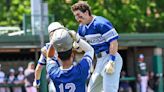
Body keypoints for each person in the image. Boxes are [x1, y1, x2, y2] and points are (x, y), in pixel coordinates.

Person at [71, 1, 123, 92]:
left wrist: (112, 61)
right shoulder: (82, 27)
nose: (77, 18)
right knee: (92, 90)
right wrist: (77, 44)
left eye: (78, 15)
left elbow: (114, 42)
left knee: (109, 90)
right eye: (75, 15)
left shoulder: (101, 23)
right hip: (99, 60)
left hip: (110, 58)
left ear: (86, 12)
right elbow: (80, 50)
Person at [33, 22, 65, 89]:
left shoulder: (46, 49)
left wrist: (37, 81)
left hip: (55, 83)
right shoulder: (68, 44)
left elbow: (38, 69)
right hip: (70, 79)